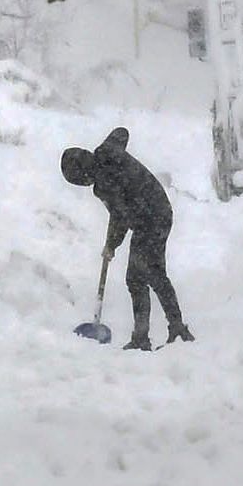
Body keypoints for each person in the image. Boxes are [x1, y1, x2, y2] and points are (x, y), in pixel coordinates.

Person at [60, 127, 193, 351]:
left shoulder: (105, 183)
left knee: (139, 278)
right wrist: (112, 149)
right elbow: (122, 133)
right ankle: (171, 329)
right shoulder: (106, 152)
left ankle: (150, 336)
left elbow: (120, 218)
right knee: (151, 275)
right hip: (158, 211)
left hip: (150, 221)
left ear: (82, 175)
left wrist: (111, 246)